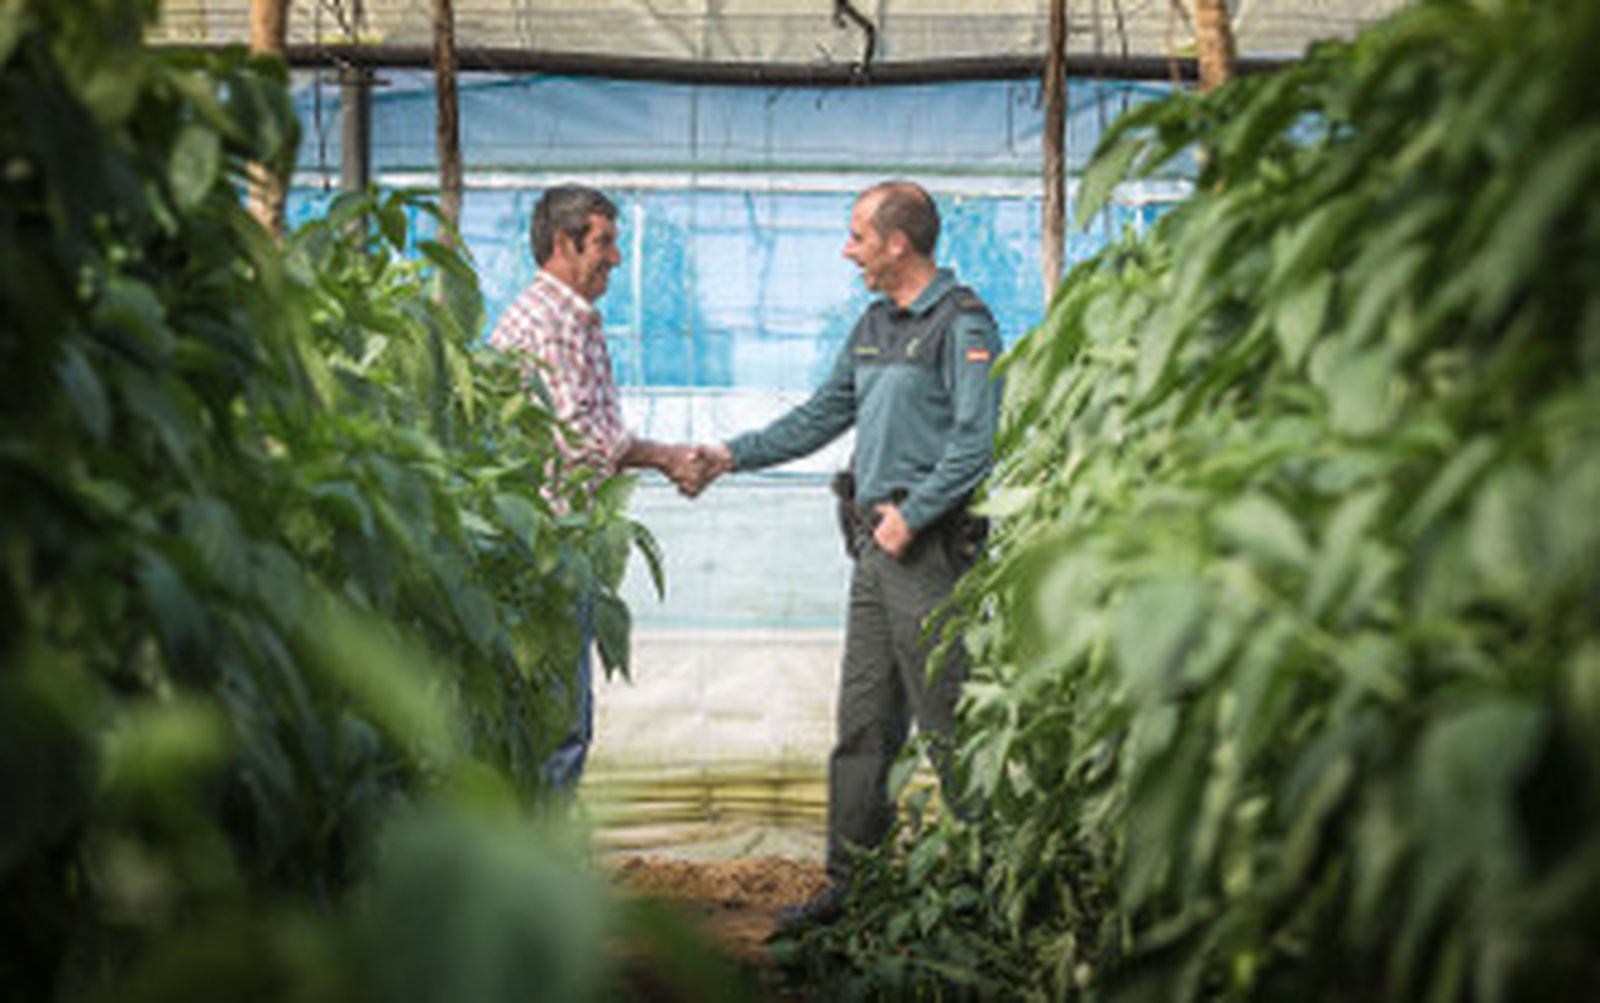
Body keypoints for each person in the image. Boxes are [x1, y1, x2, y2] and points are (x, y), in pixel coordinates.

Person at [690, 180, 1003, 926]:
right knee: (864, 720)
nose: (847, 249)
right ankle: (850, 888)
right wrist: (728, 455)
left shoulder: (962, 323)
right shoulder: (871, 323)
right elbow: (821, 415)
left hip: (928, 551)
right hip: (874, 547)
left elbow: (976, 443)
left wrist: (916, 513)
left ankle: (999, 886)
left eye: (858, 235)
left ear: (897, 243)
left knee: (950, 717)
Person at [488, 183, 704, 792]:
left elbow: (595, 431)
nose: (614, 258)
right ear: (564, 243)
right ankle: (539, 872)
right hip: (549, 547)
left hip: (556, 541)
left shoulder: (567, 318)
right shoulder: (553, 323)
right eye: (604, 243)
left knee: (559, 717)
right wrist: (667, 457)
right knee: (559, 722)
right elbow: (581, 443)